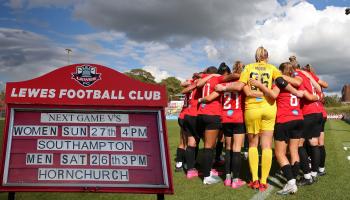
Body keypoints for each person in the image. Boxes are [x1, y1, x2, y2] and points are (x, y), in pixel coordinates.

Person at [215, 47, 303, 192]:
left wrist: (223, 88)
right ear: (267, 56)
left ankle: (255, 179)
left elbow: (241, 88)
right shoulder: (272, 68)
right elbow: (278, 88)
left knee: (253, 145)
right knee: (267, 146)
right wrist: (293, 92)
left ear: (255, 57)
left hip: (253, 109)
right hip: (269, 109)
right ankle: (263, 181)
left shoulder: (248, 68)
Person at [249, 62, 317, 195]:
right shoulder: (298, 81)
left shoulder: (279, 82)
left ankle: (291, 182)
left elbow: (273, 95)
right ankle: (294, 179)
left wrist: (260, 86)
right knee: (294, 151)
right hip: (298, 118)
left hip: (284, 119)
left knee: (280, 154)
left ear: (280, 71)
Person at [288, 57, 323, 186]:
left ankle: (307, 176)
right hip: (318, 111)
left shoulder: (297, 75)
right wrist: (318, 97)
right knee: (314, 143)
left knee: (298, 144)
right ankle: (314, 173)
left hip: (308, 112)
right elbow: (319, 88)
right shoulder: (307, 74)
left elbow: (300, 89)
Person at [195, 66, 223, 184]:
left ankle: (207, 171)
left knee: (206, 145)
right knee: (209, 147)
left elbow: (198, 84)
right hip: (213, 113)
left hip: (201, 114)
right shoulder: (218, 79)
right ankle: (207, 176)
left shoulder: (205, 79)